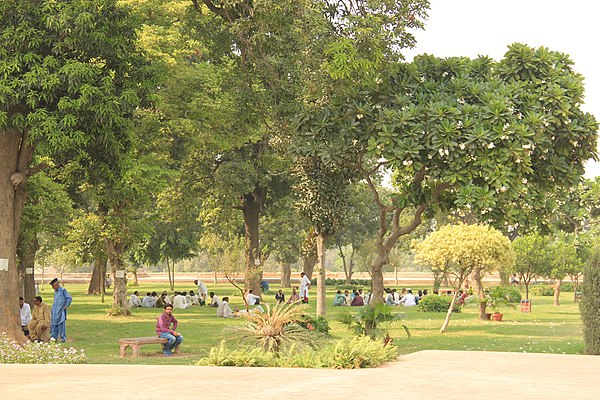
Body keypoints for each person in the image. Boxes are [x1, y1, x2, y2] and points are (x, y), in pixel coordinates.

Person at [49, 278, 72, 342]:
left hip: (61, 310)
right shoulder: (55, 291)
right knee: (53, 323)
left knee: (61, 324)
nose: (53, 288)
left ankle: (62, 338)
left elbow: (69, 298)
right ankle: (53, 337)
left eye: (53, 286)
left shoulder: (63, 290)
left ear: (56, 285)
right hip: (55, 309)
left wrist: (66, 306)